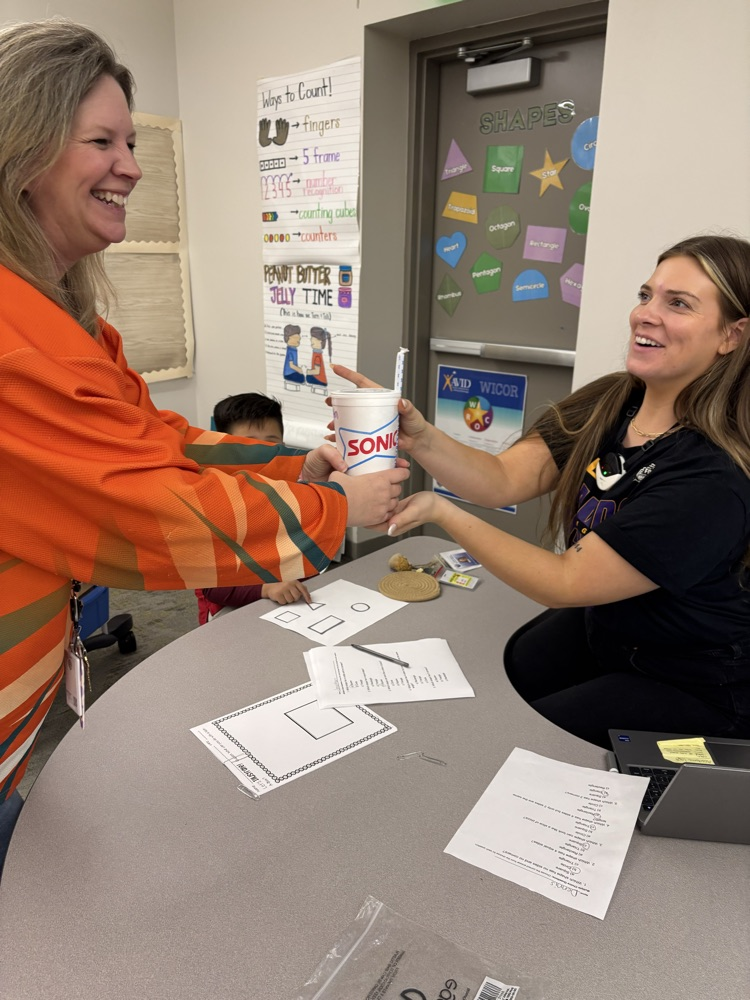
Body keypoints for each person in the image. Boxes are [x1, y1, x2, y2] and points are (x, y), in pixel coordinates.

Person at [0, 19, 408, 876]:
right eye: (102, 142)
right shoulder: (12, 339)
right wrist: (334, 510)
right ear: (22, 151)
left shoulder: (69, 321)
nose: (133, 167)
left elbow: (157, 442)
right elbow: (140, 507)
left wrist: (297, 466)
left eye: (133, 142)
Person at [334, 234, 750, 749]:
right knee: (498, 682)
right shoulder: (611, 400)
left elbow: (566, 581)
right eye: (646, 295)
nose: (646, 314)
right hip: (610, 629)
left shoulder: (712, 476)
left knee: (517, 742)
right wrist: (420, 436)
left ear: (732, 335)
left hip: (694, 680)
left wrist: (439, 509)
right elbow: (504, 478)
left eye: (678, 304)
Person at [196, 393, 311, 622]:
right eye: (248, 444)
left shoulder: (290, 491)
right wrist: (266, 589)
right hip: (228, 611)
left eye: (271, 443)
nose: (263, 453)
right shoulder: (210, 505)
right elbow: (213, 588)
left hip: (291, 602)